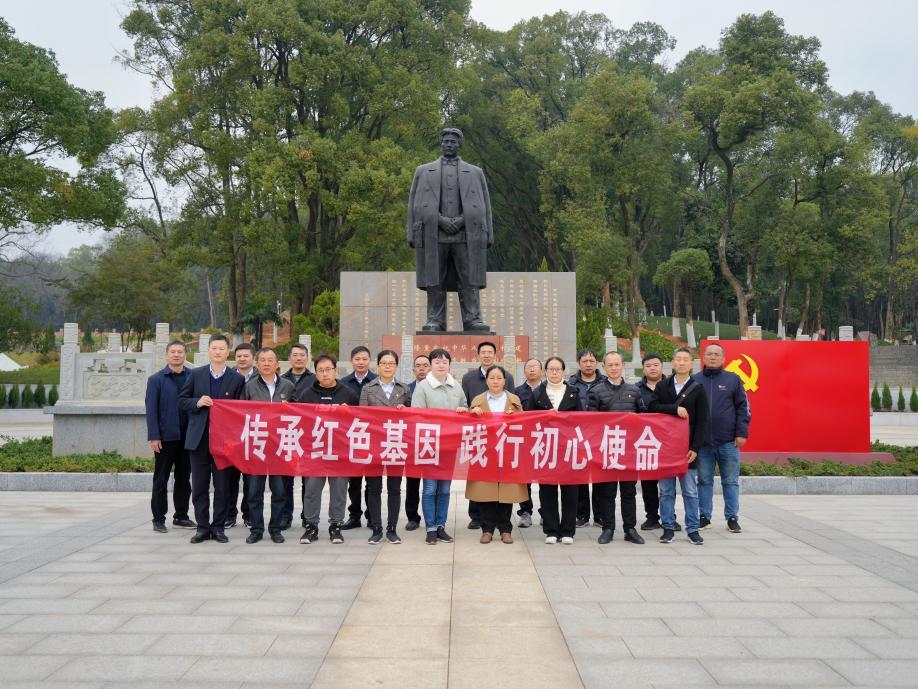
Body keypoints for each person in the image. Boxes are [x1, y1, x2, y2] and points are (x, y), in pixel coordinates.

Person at [407, 127, 493, 332]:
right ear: (441, 143)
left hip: (466, 234)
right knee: (434, 279)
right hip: (434, 234)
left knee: (469, 278)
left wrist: (482, 231)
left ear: (459, 144)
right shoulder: (423, 171)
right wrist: (418, 230)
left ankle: (473, 318)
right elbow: (414, 204)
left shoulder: (475, 172)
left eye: (453, 142)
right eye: (445, 141)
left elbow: (484, 205)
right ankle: (435, 319)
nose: (449, 144)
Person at [178, 335, 245, 544]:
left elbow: (241, 410)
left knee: (222, 487)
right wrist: (197, 402)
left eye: (222, 348)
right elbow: (182, 401)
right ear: (208, 351)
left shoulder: (237, 379)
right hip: (199, 440)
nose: (217, 352)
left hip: (224, 442)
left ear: (228, 352)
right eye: (214, 348)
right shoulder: (196, 374)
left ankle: (218, 528)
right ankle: (202, 527)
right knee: (199, 486)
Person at [298, 354, 360, 544]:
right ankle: (311, 526)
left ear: (336, 371)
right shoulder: (306, 395)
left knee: (339, 491)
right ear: (315, 373)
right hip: (314, 451)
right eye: (320, 370)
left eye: (328, 370)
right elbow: (298, 420)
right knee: (312, 490)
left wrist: (348, 413)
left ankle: (336, 525)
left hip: (340, 452)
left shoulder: (349, 394)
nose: (325, 374)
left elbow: (360, 421)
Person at [650, 348, 709, 545]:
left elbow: (702, 421)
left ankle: (693, 529)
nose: (682, 363)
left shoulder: (698, 388)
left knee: (690, 491)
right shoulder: (662, 386)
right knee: (666, 491)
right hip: (665, 447)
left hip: (687, 449)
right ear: (673, 363)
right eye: (678, 359)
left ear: (691, 364)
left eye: (685, 360)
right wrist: (674, 409)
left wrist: (696, 448)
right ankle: (668, 527)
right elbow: (653, 408)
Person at [588, 351, 646, 545]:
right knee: (607, 492)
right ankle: (608, 528)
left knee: (629, 492)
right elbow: (591, 422)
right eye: (610, 365)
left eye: (617, 364)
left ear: (623, 366)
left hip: (629, 450)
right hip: (607, 449)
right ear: (604, 367)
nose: (613, 368)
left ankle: (630, 528)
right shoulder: (596, 391)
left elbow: (644, 418)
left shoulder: (634, 390)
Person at [411, 347, 468, 544]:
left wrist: (463, 410)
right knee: (429, 489)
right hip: (429, 445)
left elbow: (465, 407)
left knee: (444, 489)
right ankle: (430, 528)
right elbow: (416, 415)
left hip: (449, 446)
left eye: (445, 362)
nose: (441, 365)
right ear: (431, 365)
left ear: (449, 365)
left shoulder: (456, 386)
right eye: (437, 362)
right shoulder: (423, 387)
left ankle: (441, 525)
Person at [693, 343, 751, 533]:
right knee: (704, 481)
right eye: (709, 354)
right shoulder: (695, 380)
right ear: (703, 357)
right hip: (703, 443)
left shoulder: (733, 379)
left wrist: (741, 432)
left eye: (716, 354)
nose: (712, 357)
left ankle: (732, 517)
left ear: (723, 358)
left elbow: (743, 407)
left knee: (730, 481)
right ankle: (704, 517)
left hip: (728, 441)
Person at [525, 356, 582, 544]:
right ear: (545, 371)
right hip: (545, 447)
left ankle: (567, 531)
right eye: (551, 369)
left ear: (563, 371)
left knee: (570, 490)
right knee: (547, 489)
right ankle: (551, 530)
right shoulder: (537, 393)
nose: (554, 372)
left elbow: (582, 420)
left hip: (568, 447)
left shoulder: (573, 392)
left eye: (558, 369)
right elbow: (529, 420)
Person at [241, 348, 295, 544]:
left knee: (279, 491)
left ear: (277, 364)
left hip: (279, 447)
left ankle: (275, 529)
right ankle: (256, 529)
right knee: (254, 492)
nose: (266, 363)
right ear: (257, 364)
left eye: (270, 360)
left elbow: (298, 414)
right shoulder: (250, 386)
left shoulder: (288, 386)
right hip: (257, 446)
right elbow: (240, 413)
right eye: (262, 360)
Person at [359, 350, 412, 545]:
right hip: (373, 444)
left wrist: (405, 411)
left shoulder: (404, 389)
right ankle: (376, 528)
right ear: (378, 366)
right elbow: (362, 415)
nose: (387, 366)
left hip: (395, 443)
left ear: (396, 366)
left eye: (391, 363)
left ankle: (391, 529)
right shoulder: (368, 388)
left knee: (394, 488)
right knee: (373, 487)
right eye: (384, 363)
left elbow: (412, 417)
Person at [468, 366, 526, 544]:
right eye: (492, 378)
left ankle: (505, 529)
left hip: (507, 452)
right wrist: (473, 414)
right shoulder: (478, 400)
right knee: (485, 492)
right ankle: (487, 529)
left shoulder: (514, 400)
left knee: (507, 492)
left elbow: (524, 423)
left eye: (499, 378)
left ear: (504, 381)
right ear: (486, 381)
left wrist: (515, 416)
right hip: (485, 452)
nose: (495, 381)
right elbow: (468, 427)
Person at [461, 340, 515, 529]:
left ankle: (503, 525)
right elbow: (466, 404)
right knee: (481, 483)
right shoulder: (468, 378)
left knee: (505, 485)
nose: (486, 355)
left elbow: (516, 410)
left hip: (505, 443)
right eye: (482, 352)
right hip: (481, 441)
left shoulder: (509, 380)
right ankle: (479, 520)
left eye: (489, 352)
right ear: (478, 355)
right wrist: (471, 412)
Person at [144, 340, 194, 533]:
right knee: (161, 479)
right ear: (167, 355)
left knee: (184, 479)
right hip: (165, 438)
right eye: (173, 352)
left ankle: (181, 516)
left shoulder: (193, 377)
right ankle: (158, 518)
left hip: (187, 437)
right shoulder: (156, 379)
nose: (176, 355)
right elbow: (151, 410)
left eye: (180, 352)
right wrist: (154, 436)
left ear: (185, 355)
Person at [341, 346, 377, 530]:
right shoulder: (343, 383)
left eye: (364, 359)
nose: (361, 362)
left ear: (370, 361)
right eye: (357, 359)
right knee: (354, 481)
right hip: (352, 437)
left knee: (371, 481)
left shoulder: (377, 382)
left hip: (373, 437)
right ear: (351, 361)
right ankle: (354, 516)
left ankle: (371, 516)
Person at [568, 349, 605, 527]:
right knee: (580, 476)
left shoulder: (605, 383)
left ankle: (600, 515)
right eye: (585, 361)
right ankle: (581, 515)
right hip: (578, 436)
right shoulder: (571, 384)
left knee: (600, 477)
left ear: (597, 363)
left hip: (600, 437)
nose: (588, 364)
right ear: (579, 363)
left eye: (591, 361)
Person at [281, 343, 315, 529]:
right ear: (289, 359)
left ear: (307, 358)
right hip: (287, 435)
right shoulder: (281, 380)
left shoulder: (315, 380)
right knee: (286, 479)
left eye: (302, 355)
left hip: (308, 436)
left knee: (308, 480)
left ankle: (307, 516)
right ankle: (285, 516)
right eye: (295, 355)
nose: (299, 358)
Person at [225, 342, 256, 529]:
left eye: (246, 356)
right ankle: (229, 515)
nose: (242, 359)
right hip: (231, 435)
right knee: (230, 478)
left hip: (254, 435)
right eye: (239, 356)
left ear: (253, 358)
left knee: (250, 479)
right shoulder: (227, 376)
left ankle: (249, 514)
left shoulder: (261, 378)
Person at [636, 352, 666, 531]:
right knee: (648, 483)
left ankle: (669, 517)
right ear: (643, 369)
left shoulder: (672, 386)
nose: (652, 368)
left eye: (656, 365)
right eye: (648, 366)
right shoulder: (636, 389)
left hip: (668, 442)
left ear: (662, 366)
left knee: (668, 483)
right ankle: (652, 517)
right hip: (646, 442)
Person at [512, 357, 543, 528]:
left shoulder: (549, 389)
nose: (532, 369)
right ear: (524, 371)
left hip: (545, 440)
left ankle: (546, 511)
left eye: (535, 367)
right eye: (529, 367)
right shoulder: (516, 392)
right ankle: (525, 511)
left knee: (546, 478)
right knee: (524, 479)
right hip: (524, 441)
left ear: (542, 371)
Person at [404, 354, 430, 530]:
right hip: (412, 442)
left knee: (432, 484)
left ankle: (432, 518)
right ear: (413, 370)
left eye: (425, 365)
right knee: (412, 482)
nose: (422, 368)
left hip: (432, 441)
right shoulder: (406, 389)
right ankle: (412, 517)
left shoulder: (438, 388)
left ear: (430, 368)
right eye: (418, 365)